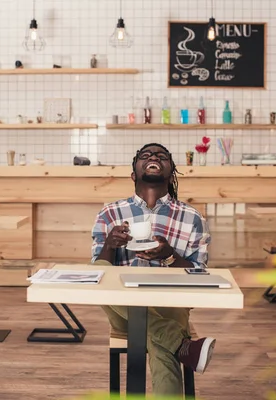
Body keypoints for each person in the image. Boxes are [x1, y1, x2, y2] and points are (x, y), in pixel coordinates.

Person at [91, 143, 214, 396]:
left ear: (171, 172)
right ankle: (182, 344)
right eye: (145, 156)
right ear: (134, 174)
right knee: (107, 283)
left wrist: (169, 256)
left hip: (172, 302)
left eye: (162, 156)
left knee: (160, 341)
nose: (153, 157)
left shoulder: (192, 217)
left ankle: (176, 343)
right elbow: (98, 271)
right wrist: (110, 245)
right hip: (122, 306)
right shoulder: (109, 213)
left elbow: (200, 274)